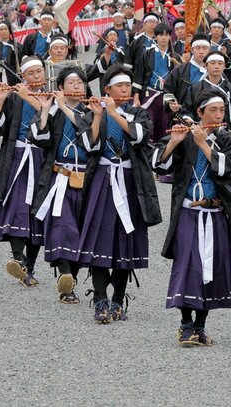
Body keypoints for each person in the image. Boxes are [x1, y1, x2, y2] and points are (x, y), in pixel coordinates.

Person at [154, 89, 231, 347]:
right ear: (200, 112)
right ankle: (185, 325)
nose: (218, 114)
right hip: (188, 212)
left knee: (211, 269)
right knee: (188, 265)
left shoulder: (226, 139)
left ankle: (200, 326)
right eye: (212, 110)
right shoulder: (184, 134)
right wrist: (174, 143)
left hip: (216, 212)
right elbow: (159, 165)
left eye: (222, 110)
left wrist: (204, 142)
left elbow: (227, 169)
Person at [77, 65, 162, 323]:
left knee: (126, 241)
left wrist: (115, 112)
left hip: (129, 180)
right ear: (107, 89)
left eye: (127, 85)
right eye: (119, 86)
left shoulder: (139, 113)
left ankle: (118, 300)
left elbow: (139, 137)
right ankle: (101, 299)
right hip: (102, 180)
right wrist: (100, 116)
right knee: (100, 239)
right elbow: (89, 147)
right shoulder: (93, 112)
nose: (124, 89)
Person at [31, 67, 92, 304]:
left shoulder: (92, 111)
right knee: (62, 225)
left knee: (80, 229)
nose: (77, 86)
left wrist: (64, 107)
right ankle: (65, 272)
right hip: (60, 177)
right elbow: (38, 138)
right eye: (72, 82)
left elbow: (89, 135)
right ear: (61, 88)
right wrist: (45, 109)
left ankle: (69, 282)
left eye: (81, 83)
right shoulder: (54, 110)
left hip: (86, 178)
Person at [0, 56, 48, 287]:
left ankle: (29, 266)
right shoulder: (13, 97)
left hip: (41, 158)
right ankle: (18, 258)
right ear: (22, 77)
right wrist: (1, 100)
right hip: (17, 156)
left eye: (39, 72)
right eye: (31, 74)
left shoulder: (51, 97)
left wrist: (29, 97)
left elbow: (52, 120)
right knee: (16, 204)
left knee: (37, 209)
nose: (36, 77)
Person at [184, 50, 231, 145]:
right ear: (205, 66)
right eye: (212, 63)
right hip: (201, 133)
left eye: (220, 63)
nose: (216, 66)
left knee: (229, 159)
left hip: (227, 134)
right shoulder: (196, 88)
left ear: (224, 66)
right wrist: (188, 120)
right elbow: (187, 110)